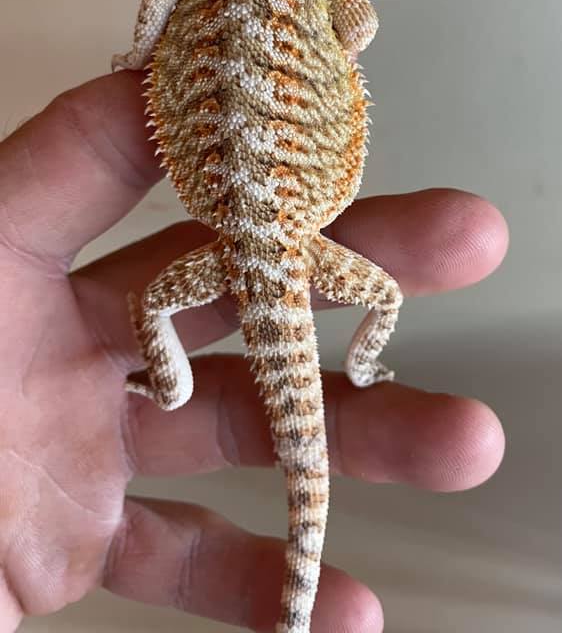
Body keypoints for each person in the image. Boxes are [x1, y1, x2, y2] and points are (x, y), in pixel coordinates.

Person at [0, 70, 508, 632]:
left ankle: (172, 388)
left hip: (254, 239)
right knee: (384, 296)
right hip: (284, 238)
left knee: (156, 306)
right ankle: (360, 366)